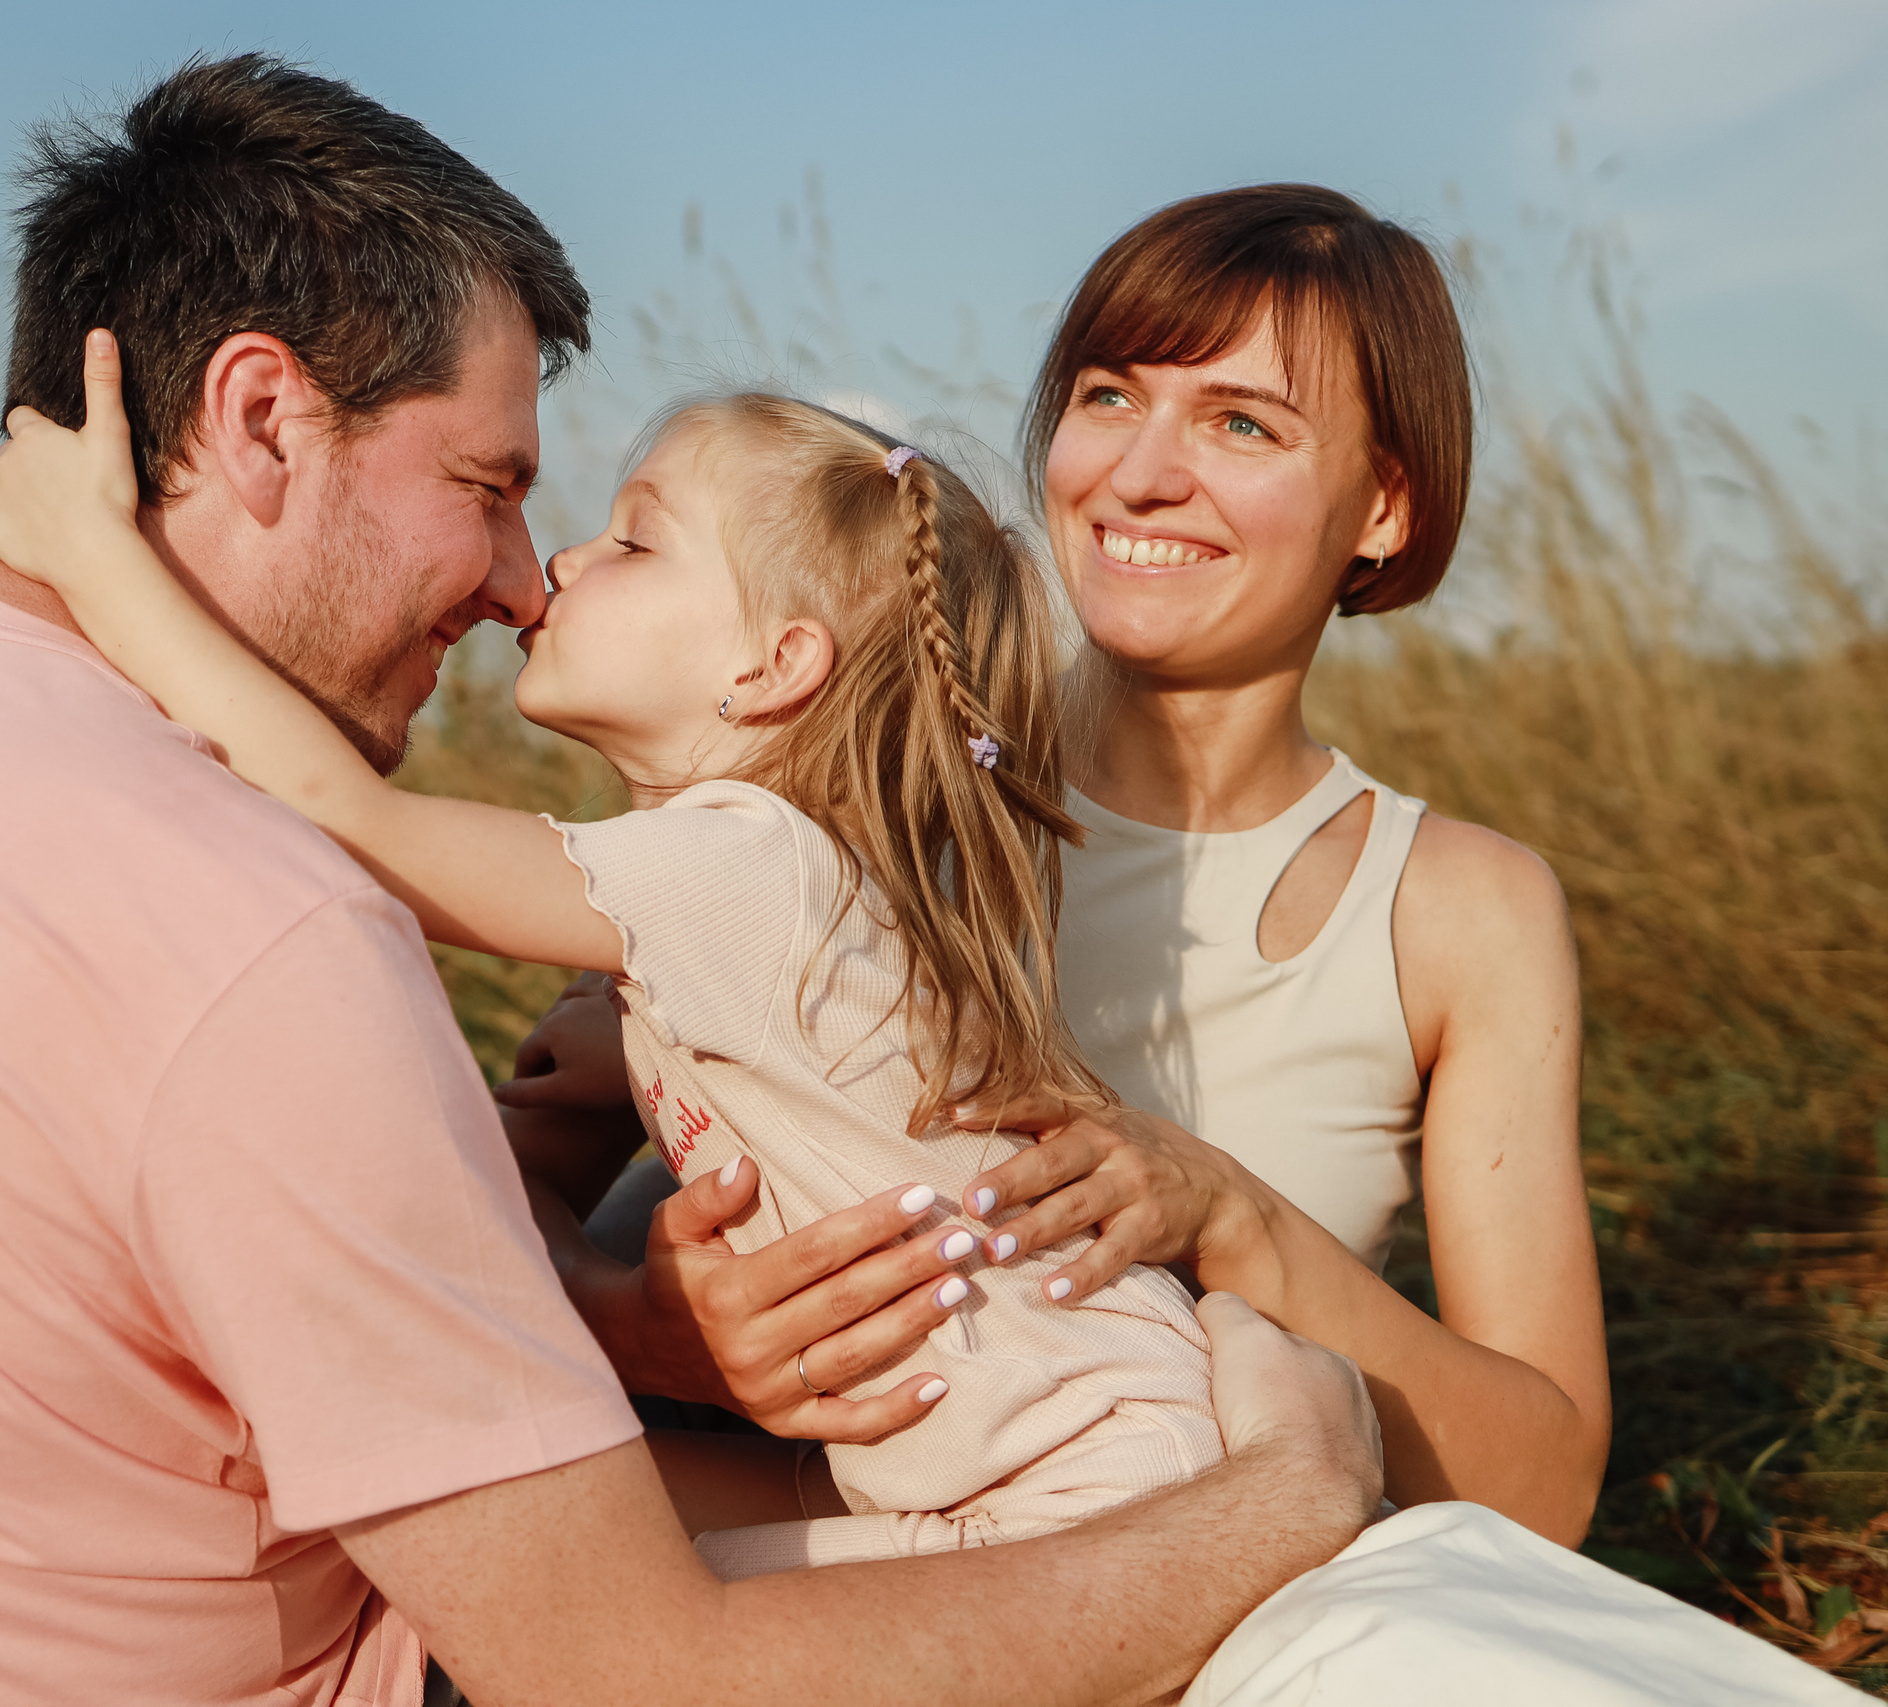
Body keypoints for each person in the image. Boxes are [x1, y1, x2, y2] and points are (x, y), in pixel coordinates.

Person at [0, 57, 1383, 1707]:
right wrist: (1282, 1507)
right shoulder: (254, 920)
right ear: (262, 418)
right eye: (487, 484)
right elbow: (636, 1674)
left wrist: (605, 1304)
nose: (516, 578)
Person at [0, 368, 1236, 1580]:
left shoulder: (749, 868)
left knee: (582, 1607)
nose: (561, 564)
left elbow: (340, 813)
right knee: (527, 1536)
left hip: (1073, 1492)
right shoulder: (745, 900)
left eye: (634, 541)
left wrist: (96, 556)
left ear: (772, 668)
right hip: (1012, 1471)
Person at [518, 183, 1609, 1543]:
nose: (1138, 473)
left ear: (1384, 505)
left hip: (1152, 1585)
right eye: (1109, 395)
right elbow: (475, 1185)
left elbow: (1544, 1489)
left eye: (1241, 422)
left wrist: (1229, 1217)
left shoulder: (1459, 911)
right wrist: (625, 1322)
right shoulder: (862, 760)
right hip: (731, 1541)